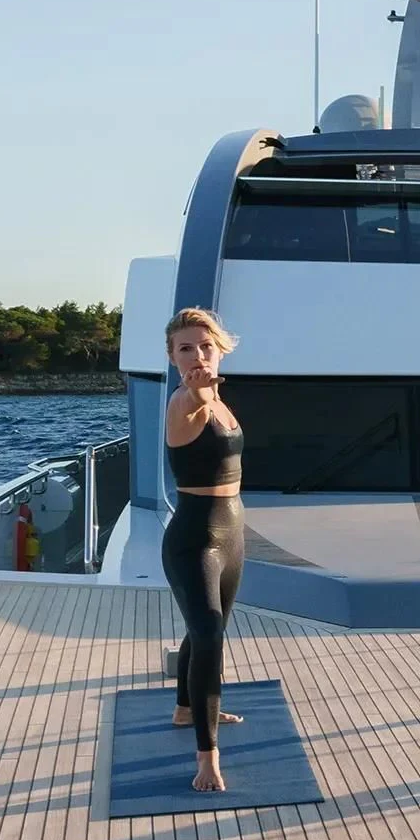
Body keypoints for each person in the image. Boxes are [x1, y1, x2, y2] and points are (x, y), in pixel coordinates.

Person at [161, 308, 245, 794]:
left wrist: (207, 389)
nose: (196, 355)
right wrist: (196, 388)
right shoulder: (184, 401)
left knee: (206, 628)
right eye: (185, 348)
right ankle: (207, 757)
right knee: (210, 636)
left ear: (220, 347)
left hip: (230, 532)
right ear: (172, 358)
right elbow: (191, 402)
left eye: (204, 346)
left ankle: (184, 708)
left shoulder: (219, 399)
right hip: (195, 539)